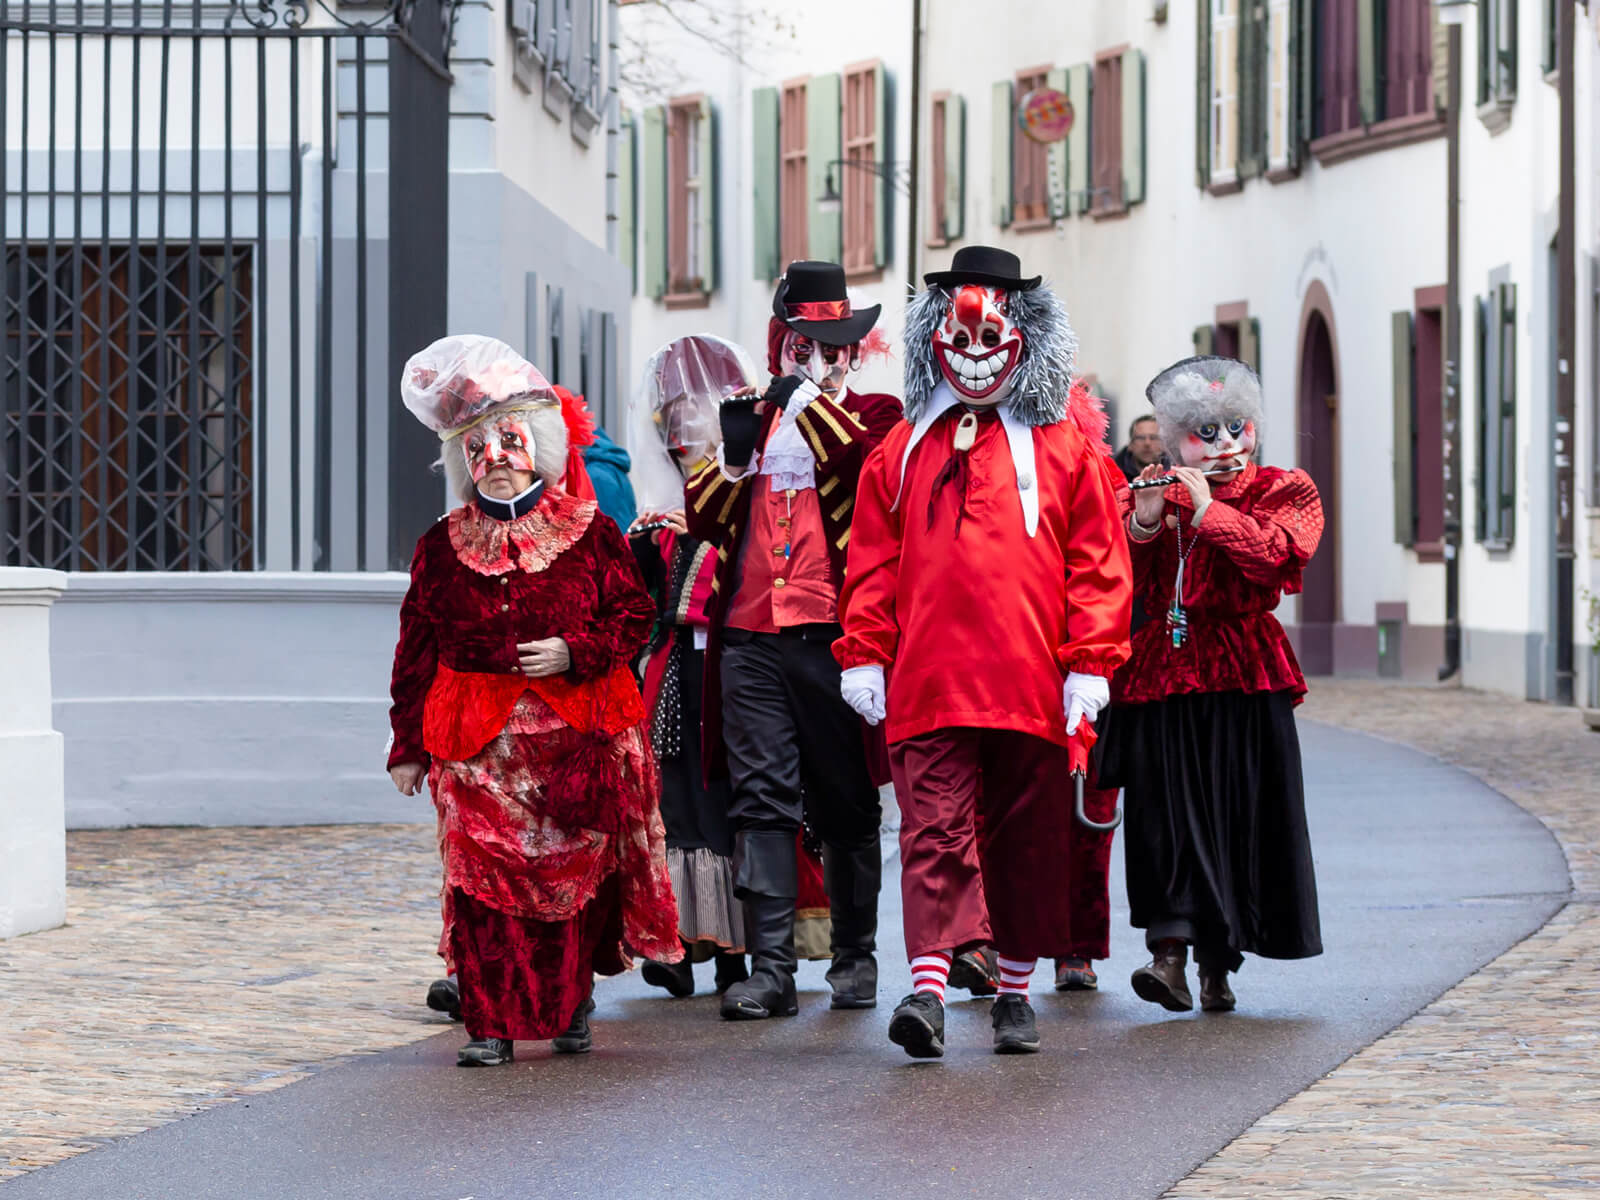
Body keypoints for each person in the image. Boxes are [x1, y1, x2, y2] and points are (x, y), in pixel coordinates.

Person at [836, 246, 1132, 1058]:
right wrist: (863, 651)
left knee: (1025, 837)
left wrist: (1089, 663)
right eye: (957, 344)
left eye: (989, 342)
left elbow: (1098, 563)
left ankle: (1012, 993)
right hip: (928, 680)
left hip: (1031, 681)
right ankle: (928, 991)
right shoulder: (898, 452)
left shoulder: (1067, 451)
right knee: (929, 831)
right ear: (935, 340)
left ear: (1023, 342)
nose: (972, 359)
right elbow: (872, 560)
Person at [386, 334, 681, 1066]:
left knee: (572, 881)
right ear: (464, 458)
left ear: (535, 445)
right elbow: (415, 649)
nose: (496, 457)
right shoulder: (440, 545)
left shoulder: (588, 532)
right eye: (479, 446)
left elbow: (634, 616)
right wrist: (405, 746)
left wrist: (573, 653)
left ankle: (569, 1003)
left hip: (573, 739)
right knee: (482, 884)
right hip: (475, 745)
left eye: (509, 440)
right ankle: (488, 1023)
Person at [685, 261, 901, 1021]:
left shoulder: (874, 414)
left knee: (845, 796)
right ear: (783, 342)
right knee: (762, 799)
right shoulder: (754, 412)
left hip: (835, 636)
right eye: (809, 344)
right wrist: (736, 461)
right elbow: (707, 521)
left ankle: (855, 957)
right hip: (748, 636)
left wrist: (805, 398)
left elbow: (862, 464)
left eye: (836, 345)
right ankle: (773, 970)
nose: (825, 358)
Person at [1096, 355, 1324, 1015]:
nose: (1225, 443)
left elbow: (1274, 559)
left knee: (1237, 815)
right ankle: (1168, 955)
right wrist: (1141, 521)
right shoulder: (1150, 486)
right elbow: (1110, 574)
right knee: (1163, 816)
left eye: (1235, 427)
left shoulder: (1285, 488)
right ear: (1175, 437)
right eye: (1205, 431)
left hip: (1245, 672)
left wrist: (1207, 513)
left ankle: (1218, 962)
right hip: (1164, 671)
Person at [585, 425, 639, 532]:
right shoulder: (611, 466)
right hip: (627, 536)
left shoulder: (594, 474)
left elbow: (605, 522)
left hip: (617, 540)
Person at [1113, 414, 1167, 483]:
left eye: (1153, 438)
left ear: (1163, 444)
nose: (1147, 443)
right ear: (1130, 445)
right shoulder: (1111, 475)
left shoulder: (1176, 474)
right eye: (1141, 438)